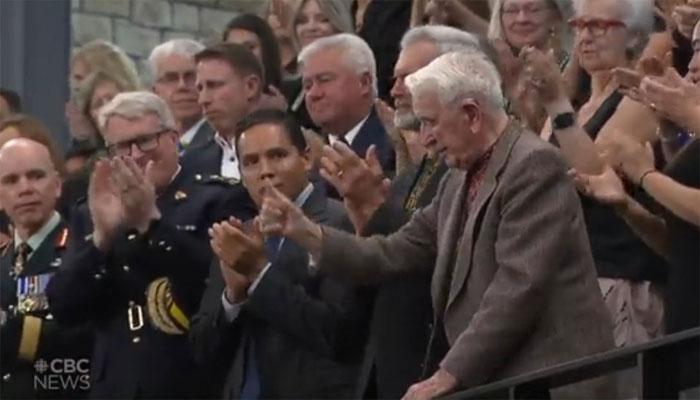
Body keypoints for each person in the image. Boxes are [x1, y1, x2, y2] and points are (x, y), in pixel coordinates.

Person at [257, 51, 616, 399]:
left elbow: (518, 288)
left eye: (430, 121)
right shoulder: (457, 178)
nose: (425, 137)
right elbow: (394, 252)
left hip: (548, 383)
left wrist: (448, 375)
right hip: (499, 381)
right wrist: (307, 232)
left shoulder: (534, 166)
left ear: (472, 114)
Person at [45, 91, 252, 399]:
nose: (137, 155)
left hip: (188, 381)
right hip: (114, 384)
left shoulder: (217, 199)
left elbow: (213, 288)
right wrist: (101, 239)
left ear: (172, 138)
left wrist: (150, 223)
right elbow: (63, 307)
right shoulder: (92, 210)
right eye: (122, 147)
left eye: (146, 141)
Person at [319, 25, 481, 399]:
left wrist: (377, 210)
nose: (394, 91)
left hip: (446, 372)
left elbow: (453, 252)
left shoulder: (475, 166)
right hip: (389, 373)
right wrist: (364, 223)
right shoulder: (413, 174)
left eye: (409, 78)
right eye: (395, 78)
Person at [190, 109, 369, 398]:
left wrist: (260, 275)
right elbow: (202, 350)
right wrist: (232, 299)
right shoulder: (238, 235)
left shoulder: (342, 222)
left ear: (306, 158)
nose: (265, 171)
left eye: (277, 155)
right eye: (250, 162)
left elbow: (338, 334)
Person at [521, 0, 667, 349]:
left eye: (598, 27)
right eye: (579, 26)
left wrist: (556, 100)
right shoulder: (580, 102)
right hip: (573, 280)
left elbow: (597, 174)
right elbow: (542, 169)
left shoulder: (641, 96)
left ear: (633, 36)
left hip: (622, 278)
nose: (584, 37)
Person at [0, 138, 92, 399]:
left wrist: (12, 331)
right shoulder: (3, 259)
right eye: (11, 181)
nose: (25, 188)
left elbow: (83, 339)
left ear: (57, 185)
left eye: (36, 176)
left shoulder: (82, 248)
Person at [299, 33, 395, 180]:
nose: (313, 94)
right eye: (307, 86)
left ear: (364, 83)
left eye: (324, 80)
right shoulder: (304, 156)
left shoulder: (396, 146)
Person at [182, 43, 262, 189]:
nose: (203, 100)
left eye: (214, 85)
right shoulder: (190, 163)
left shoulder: (288, 147)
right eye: (200, 89)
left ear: (250, 87)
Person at [288, 0, 354, 129]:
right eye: (302, 21)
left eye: (322, 19)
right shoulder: (290, 90)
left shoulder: (353, 80)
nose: (311, 27)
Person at [149, 39, 214, 154]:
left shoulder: (221, 141)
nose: (182, 86)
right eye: (171, 78)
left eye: (191, 76)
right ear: (155, 92)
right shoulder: (149, 148)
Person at [223, 13, 289, 112]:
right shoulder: (218, 95)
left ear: (266, 50)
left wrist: (282, 112)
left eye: (250, 47)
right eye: (233, 48)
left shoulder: (293, 92)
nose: (241, 54)